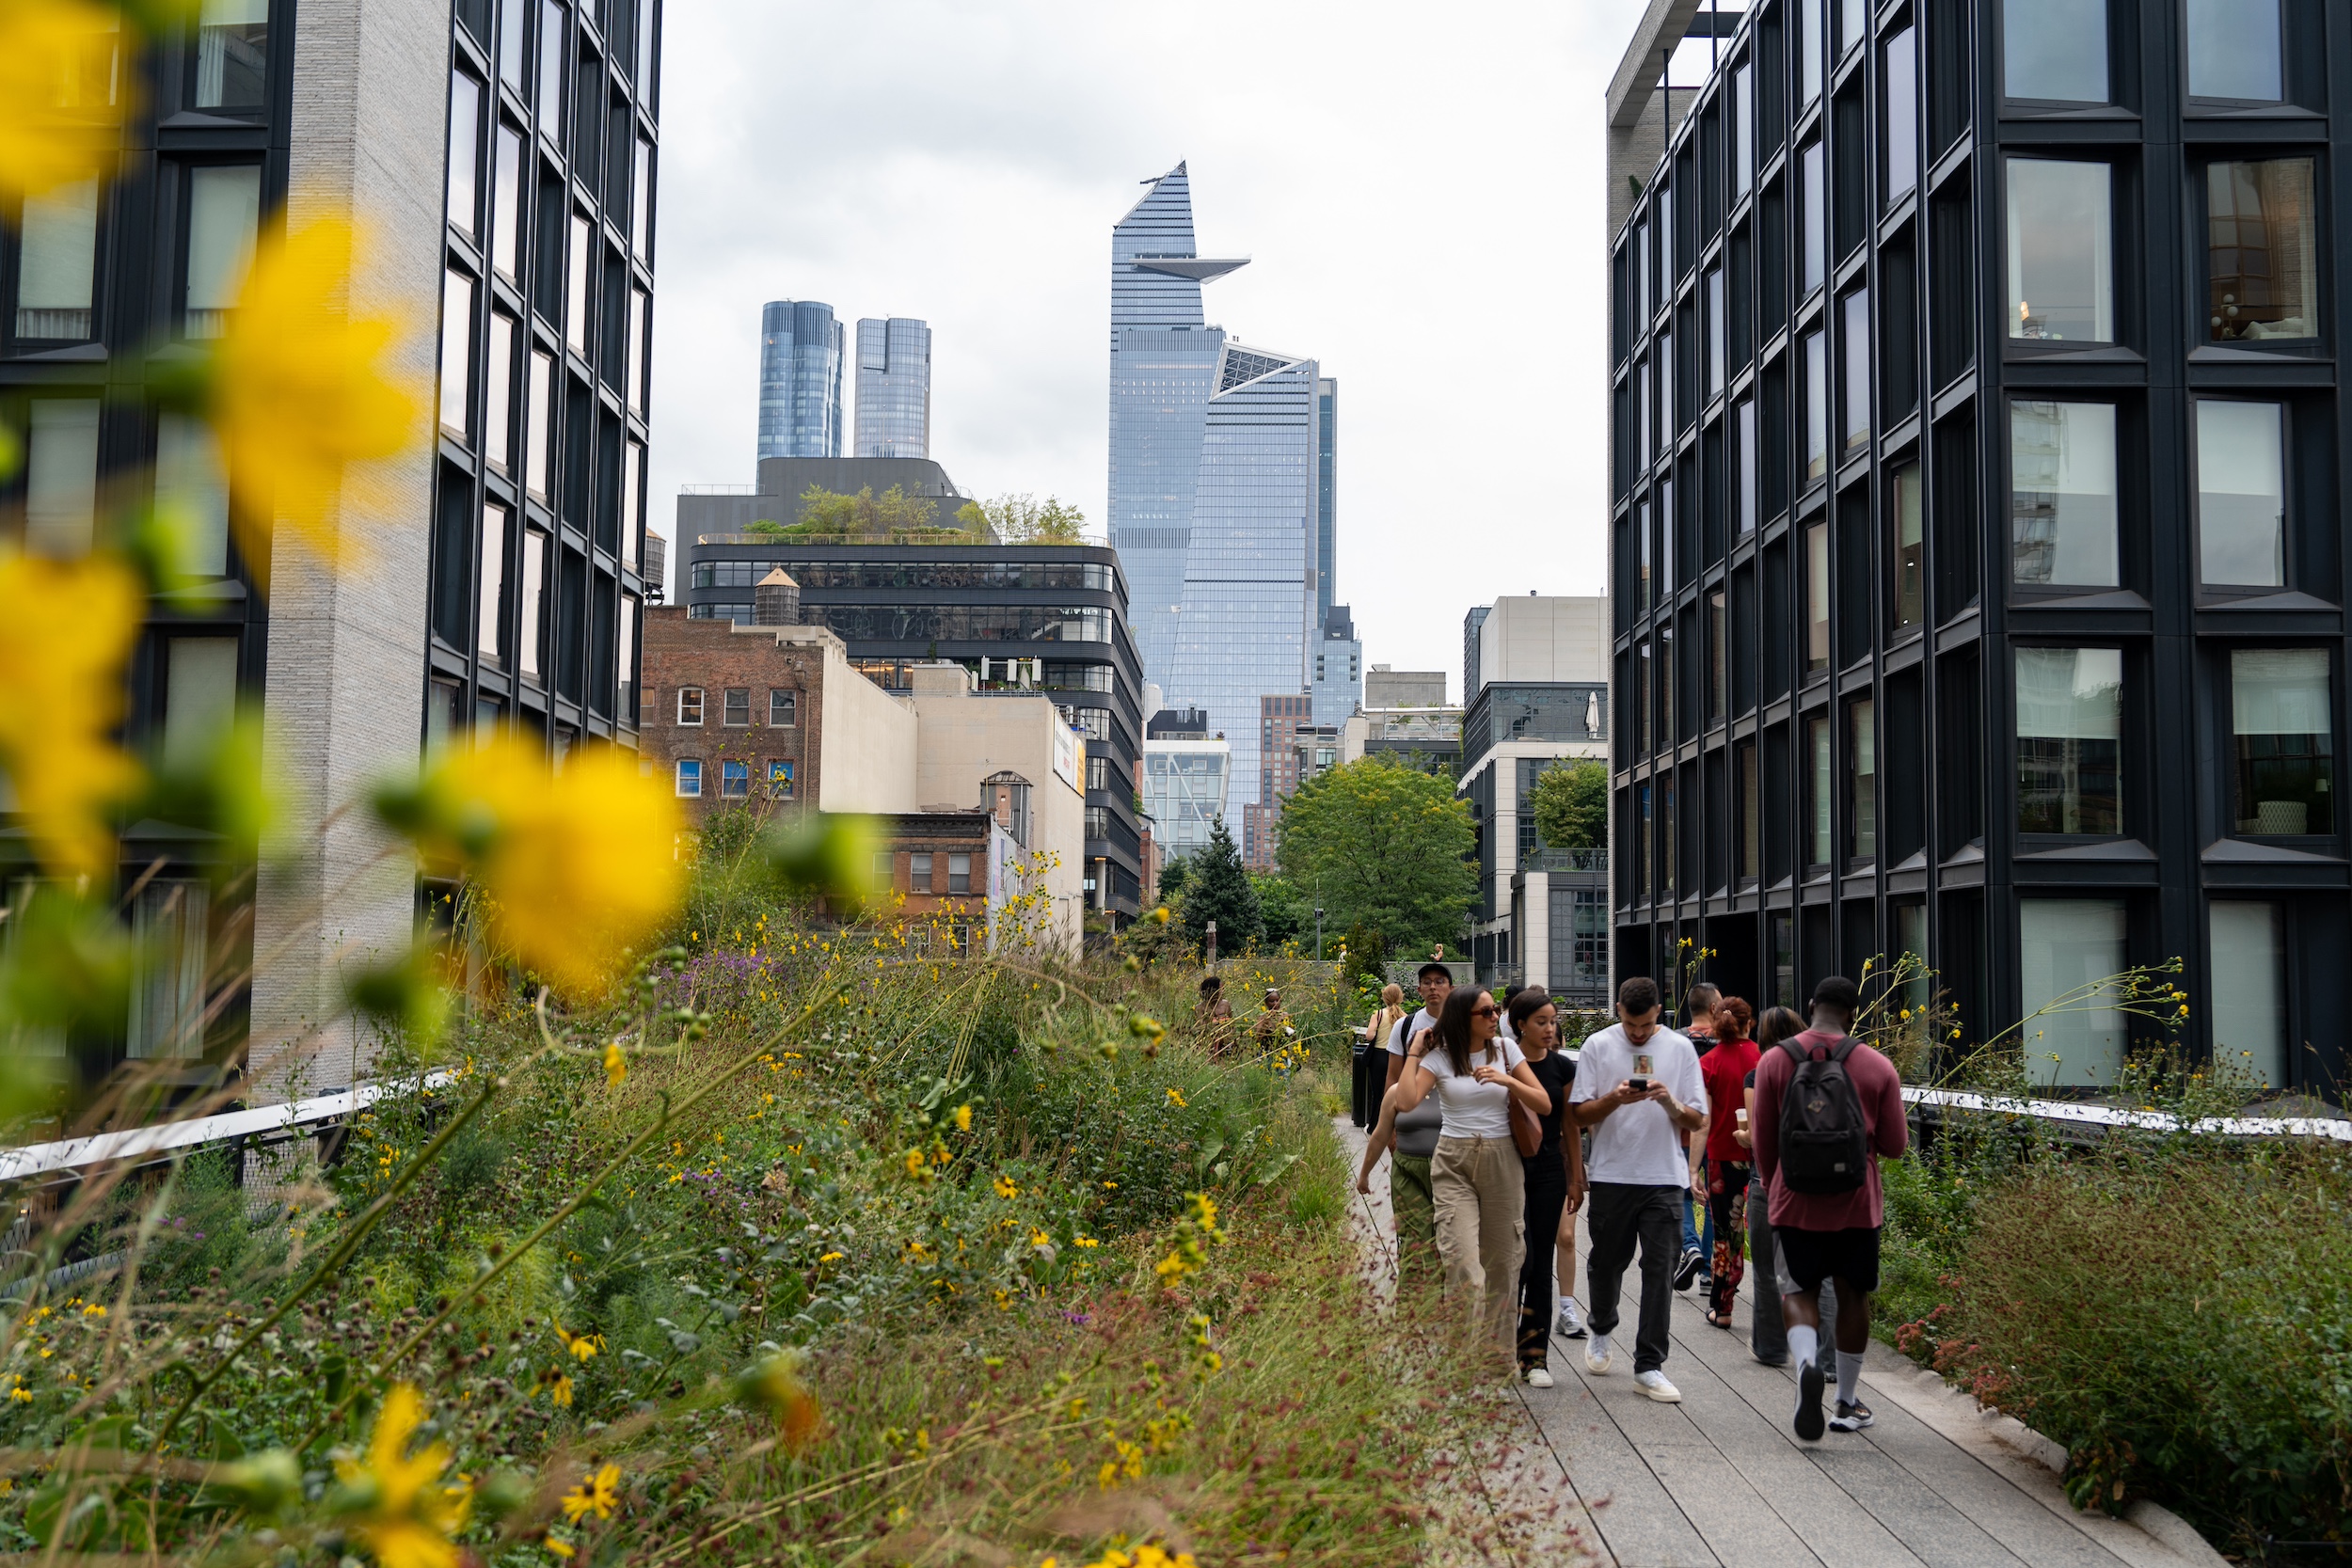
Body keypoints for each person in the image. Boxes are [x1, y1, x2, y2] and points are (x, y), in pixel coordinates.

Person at [1752, 976, 1908, 1440]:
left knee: (1797, 1290)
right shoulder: (1878, 1067)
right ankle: (1845, 1401)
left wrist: (1779, 1183)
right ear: (1854, 1014)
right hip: (1856, 1207)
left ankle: (1804, 1366)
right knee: (1852, 1295)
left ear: (1811, 1004)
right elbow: (1897, 1145)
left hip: (1794, 1203)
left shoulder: (1774, 1061)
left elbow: (1764, 1142)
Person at [1391, 987, 1554, 1360]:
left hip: (1502, 1158)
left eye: (1495, 1009)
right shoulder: (1440, 1057)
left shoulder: (1507, 1051)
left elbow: (1543, 1103)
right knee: (1463, 1263)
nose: (1494, 1016)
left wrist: (1508, 1081)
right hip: (1453, 1160)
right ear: (1464, 1017)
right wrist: (1415, 1051)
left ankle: (1497, 1361)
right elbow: (1405, 1102)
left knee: (1503, 1264)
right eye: (1485, 1012)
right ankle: (1461, 1360)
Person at [1570, 976, 1707, 1403]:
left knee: (1660, 1269)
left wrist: (1668, 1102)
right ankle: (1602, 1325)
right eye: (1631, 1025)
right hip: (1612, 1173)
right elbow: (1577, 1114)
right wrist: (1614, 1099)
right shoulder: (1598, 1045)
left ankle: (1649, 1365)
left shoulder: (1680, 1048)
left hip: (1664, 1177)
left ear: (1659, 1014)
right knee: (1606, 1263)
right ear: (1618, 1010)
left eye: (1646, 1026)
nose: (1639, 1034)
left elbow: (1697, 1119)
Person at [1740, 1006, 1837, 1367]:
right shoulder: (1823, 1068)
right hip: (1819, 1179)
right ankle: (1827, 1359)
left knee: (1767, 1267)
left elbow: (1755, 1133)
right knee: (1821, 1269)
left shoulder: (1760, 1072)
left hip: (1770, 1180)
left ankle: (1770, 1346)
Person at [1509, 990, 1583, 1386]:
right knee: (1517, 1260)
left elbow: (1571, 1124)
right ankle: (1502, 1349)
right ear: (1521, 1024)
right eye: (1541, 1022)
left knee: (1540, 1263)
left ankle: (1534, 1358)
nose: (1550, 1029)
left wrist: (1576, 1175)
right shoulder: (1505, 1062)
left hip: (1551, 1167)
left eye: (1553, 1022)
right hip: (1509, 1163)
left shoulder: (1561, 1068)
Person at [1695, 997, 1758, 1328]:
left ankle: (1723, 1306)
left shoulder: (1709, 1062)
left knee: (1726, 1233)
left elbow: (1702, 1121)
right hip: (1761, 1157)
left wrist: (1694, 1168)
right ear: (1751, 1022)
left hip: (1722, 1156)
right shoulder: (1762, 1057)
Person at [1358, 1065, 1445, 1291]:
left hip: (1448, 1174)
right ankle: (1413, 1310)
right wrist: (1364, 1175)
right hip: (1409, 1174)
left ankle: (1440, 1307)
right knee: (1415, 1241)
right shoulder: (1397, 1092)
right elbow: (1379, 1135)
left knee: (1445, 1242)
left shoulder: (1453, 1090)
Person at [1677, 981, 1722, 1292]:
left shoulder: (1675, 1042)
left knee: (1678, 1195)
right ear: (1713, 1008)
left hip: (1681, 1132)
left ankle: (1689, 1247)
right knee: (1713, 1203)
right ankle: (1708, 1270)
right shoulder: (1726, 1043)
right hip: (1718, 1134)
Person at [1383, 962, 1455, 1091]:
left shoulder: (1466, 1025)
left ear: (1451, 989)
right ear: (1420, 990)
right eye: (1427, 982)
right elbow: (1393, 1078)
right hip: (1415, 1105)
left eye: (1439, 981)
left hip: (1456, 1106)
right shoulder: (1403, 1026)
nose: (1433, 987)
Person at [1356, 983, 1408, 1127]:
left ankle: (1374, 1125)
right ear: (1400, 997)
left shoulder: (1378, 1014)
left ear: (1385, 998)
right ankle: (1394, 1124)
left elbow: (1370, 1036)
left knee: (1378, 1093)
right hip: (1397, 1057)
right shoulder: (1405, 1017)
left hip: (1379, 1057)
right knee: (1396, 1091)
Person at [1198, 976, 1234, 1055]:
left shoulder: (1225, 1004)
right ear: (1213, 991)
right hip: (1209, 1043)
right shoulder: (1200, 1008)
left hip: (1226, 1042)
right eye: (1221, 989)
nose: (1223, 991)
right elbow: (1201, 1027)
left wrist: (1229, 1034)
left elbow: (1232, 1024)